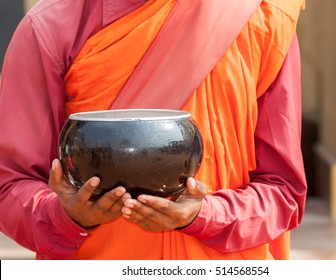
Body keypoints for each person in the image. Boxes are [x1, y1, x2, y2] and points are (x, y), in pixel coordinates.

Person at [0, 0, 307, 260]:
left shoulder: (260, 16)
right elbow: (10, 186)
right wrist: (67, 215)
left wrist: (207, 215)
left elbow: (284, 193)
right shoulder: (52, 26)